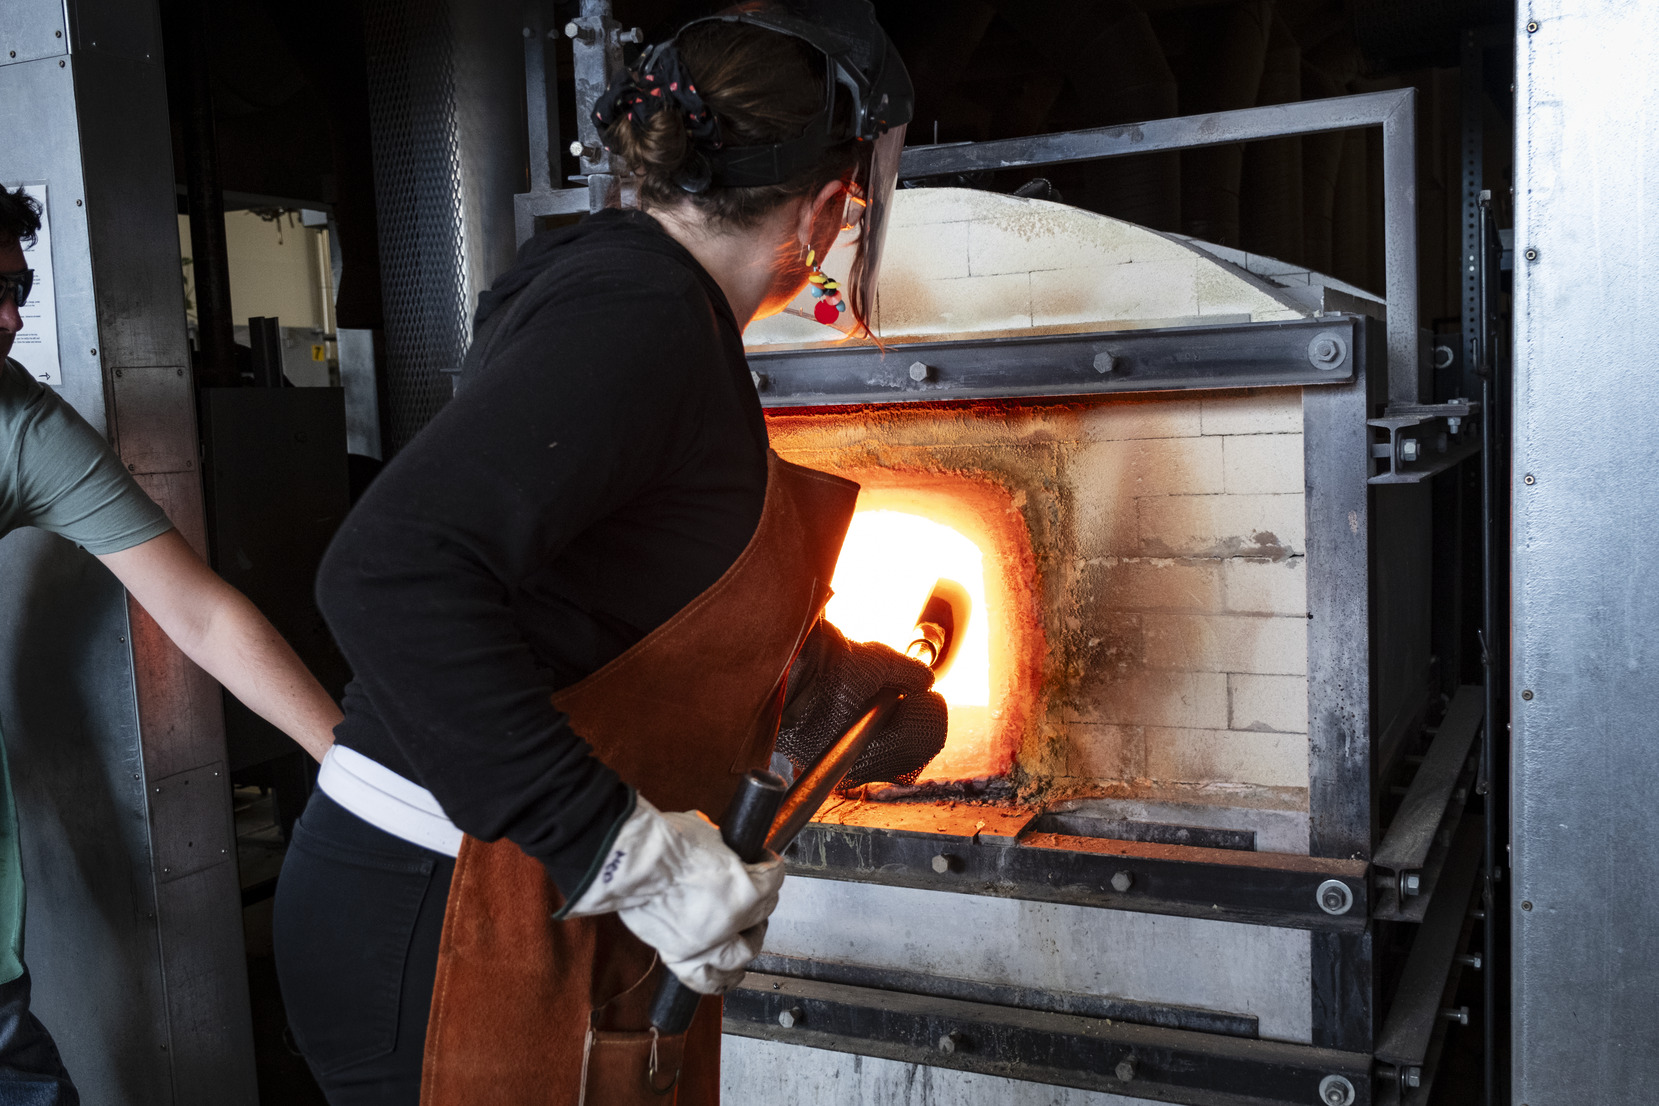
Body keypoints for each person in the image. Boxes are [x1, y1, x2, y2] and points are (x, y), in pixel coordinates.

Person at [272, 3, 942, 1104]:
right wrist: (625, 850)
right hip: (440, 897)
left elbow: (593, 586)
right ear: (824, 212)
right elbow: (387, 570)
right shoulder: (638, 314)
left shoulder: (624, 293)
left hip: (491, 888)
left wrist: (808, 671)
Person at [0, 183, 342, 1104]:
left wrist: (353, 764)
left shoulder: (19, 425)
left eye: (17, 288)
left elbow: (200, 613)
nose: (7, 318)